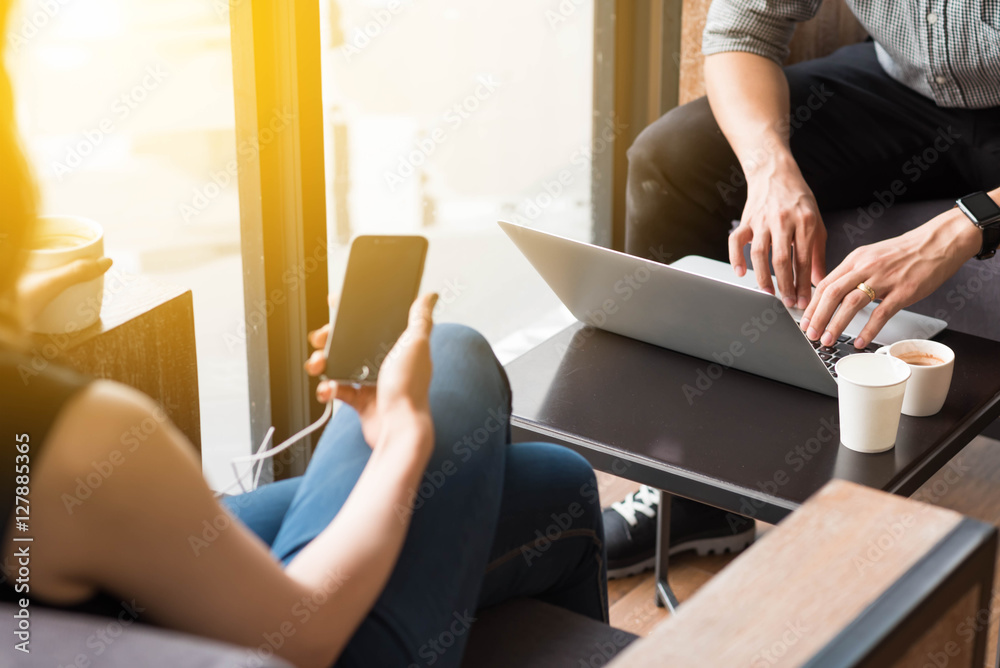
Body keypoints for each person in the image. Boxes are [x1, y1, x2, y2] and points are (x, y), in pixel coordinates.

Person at [0, 6, 607, 668]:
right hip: (308, 644)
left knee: (554, 484)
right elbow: (303, 634)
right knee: (446, 349)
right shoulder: (84, 440)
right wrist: (402, 438)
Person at [603, 0, 1000, 574]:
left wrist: (965, 226)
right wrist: (770, 167)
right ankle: (693, 495)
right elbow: (741, 28)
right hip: (898, 90)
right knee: (673, 159)